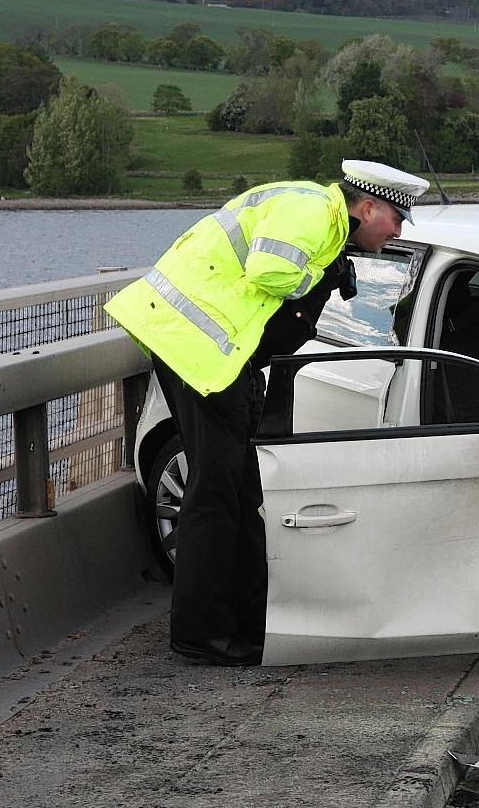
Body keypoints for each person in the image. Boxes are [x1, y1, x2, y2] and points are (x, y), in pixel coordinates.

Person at [105, 161, 429, 666]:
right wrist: (319, 275)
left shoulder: (323, 219)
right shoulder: (313, 212)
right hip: (195, 346)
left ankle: (242, 623)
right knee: (215, 491)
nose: (399, 230)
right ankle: (198, 633)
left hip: (207, 346)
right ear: (367, 208)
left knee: (236, 490)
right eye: (397, 218)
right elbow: (268, 271)